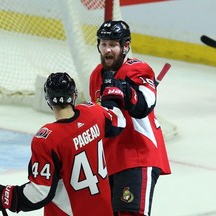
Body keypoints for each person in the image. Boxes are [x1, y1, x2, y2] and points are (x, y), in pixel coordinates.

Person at [0, 72, 126, 216]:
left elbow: (40, 192)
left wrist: (5, 196)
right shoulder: (94, 113)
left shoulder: (47, 139)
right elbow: (118, 120)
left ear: (48, 100)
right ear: (74, 94)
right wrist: (109, 94)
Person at [89, 20, 171, 216]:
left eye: (113, 45)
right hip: (111, 160)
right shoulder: (95, 76)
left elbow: (145, 105)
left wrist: (125, 91)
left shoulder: (139, 69)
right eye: (104, 44)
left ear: (125, 46)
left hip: (138, 155)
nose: (107, 50)